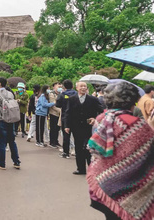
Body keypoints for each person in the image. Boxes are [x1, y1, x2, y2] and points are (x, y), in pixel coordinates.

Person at [87, 82, 154, 219]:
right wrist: (151, 127)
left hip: (103, 185)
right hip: (133, 192)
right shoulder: (139, 126)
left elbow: (96, 152)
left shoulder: (102, 120)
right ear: (133, 100)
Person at [62, 81, 104, 175]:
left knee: (87, 147)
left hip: (88, 127)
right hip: (76, 127)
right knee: (78, 147)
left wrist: (95, 119)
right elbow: (67, 113)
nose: (83, 88)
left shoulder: (92, 99)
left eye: (85, 86)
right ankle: (80, 169)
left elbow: (102, 111)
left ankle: (91, 168)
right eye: (81, 86)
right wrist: (66, 126)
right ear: (77, 88)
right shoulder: (72, 99)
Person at [0, 77, 21, 170]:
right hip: (10, 119)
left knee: (1, 143)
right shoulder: (10, 93)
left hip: (1, 119)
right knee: (12, 141)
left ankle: (1, 164)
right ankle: (16, 162)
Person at [56, 79, 77, 158]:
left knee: (66, 136)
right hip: (75, 117)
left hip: (65, 116)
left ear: (64, 87)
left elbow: (57, 104)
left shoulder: (62, 94)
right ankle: (77, 151)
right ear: (72, 86)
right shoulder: (76, 94)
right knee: (76, 135)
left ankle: (66, 152)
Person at [48, 82, 62, 148]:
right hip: (53, 113)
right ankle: (52, 142)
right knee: (53, 128)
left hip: (59, 114)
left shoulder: (60, 94)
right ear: (54, 87)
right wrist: (60, 111)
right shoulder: (51, 94)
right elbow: (53, 105)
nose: (59, 87)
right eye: (57, 86)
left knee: (57, 129)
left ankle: (56, 141)